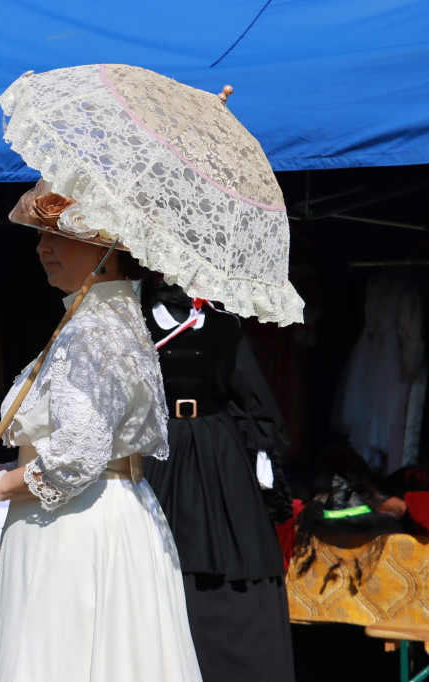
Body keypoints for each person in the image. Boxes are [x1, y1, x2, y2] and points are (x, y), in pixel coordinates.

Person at [0, 181, 202, 682]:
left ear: (107, 246)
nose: (42, 247)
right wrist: (6, 467)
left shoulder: (94, 331)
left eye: (58, 234)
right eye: (41, 233)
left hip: (75, 527)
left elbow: (78, 458)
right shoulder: (106, 319)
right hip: (99, 512)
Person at [139, 279, 295, 681]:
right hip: (158, 451)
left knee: (235, 555)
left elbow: (254, 398)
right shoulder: (134, 319)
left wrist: (262, 459)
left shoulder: (225, 326)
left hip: (218, 456)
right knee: (148, 561)